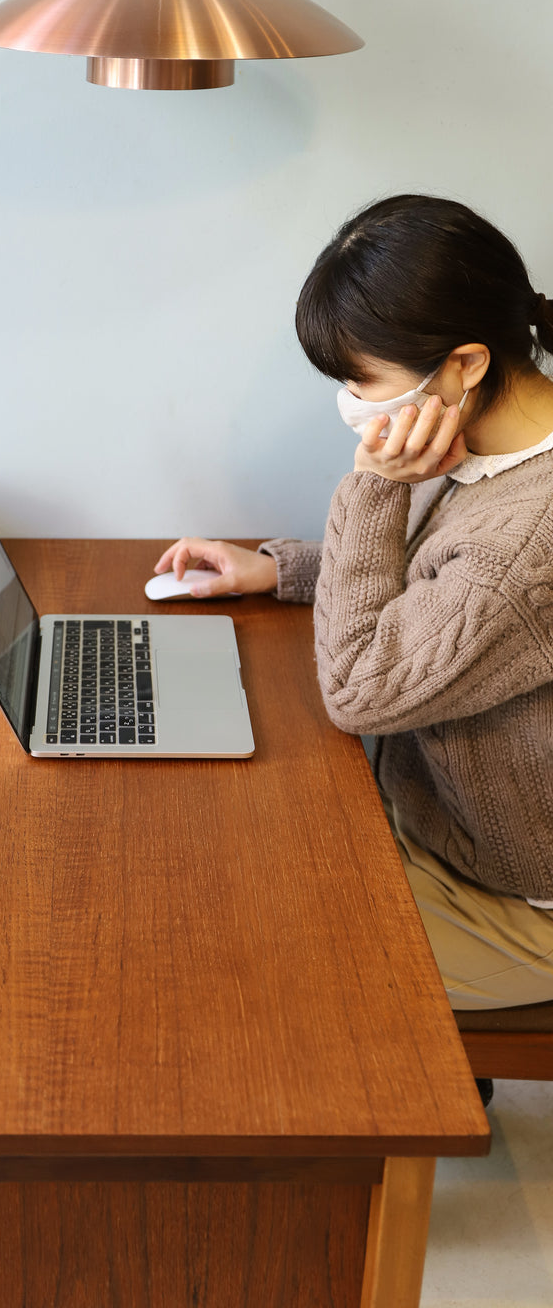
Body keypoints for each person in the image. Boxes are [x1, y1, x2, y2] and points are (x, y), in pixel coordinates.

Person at [155, 194, 553, 1011]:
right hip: (437, 817)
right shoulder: (508, 448)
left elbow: (362, 689)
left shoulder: (524, 540)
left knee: (244, 962)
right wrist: (282, 572)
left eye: (360, 378)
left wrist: (372, 488)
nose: (351, 401)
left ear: (465, 363)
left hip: (515, 899)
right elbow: (441, 601)